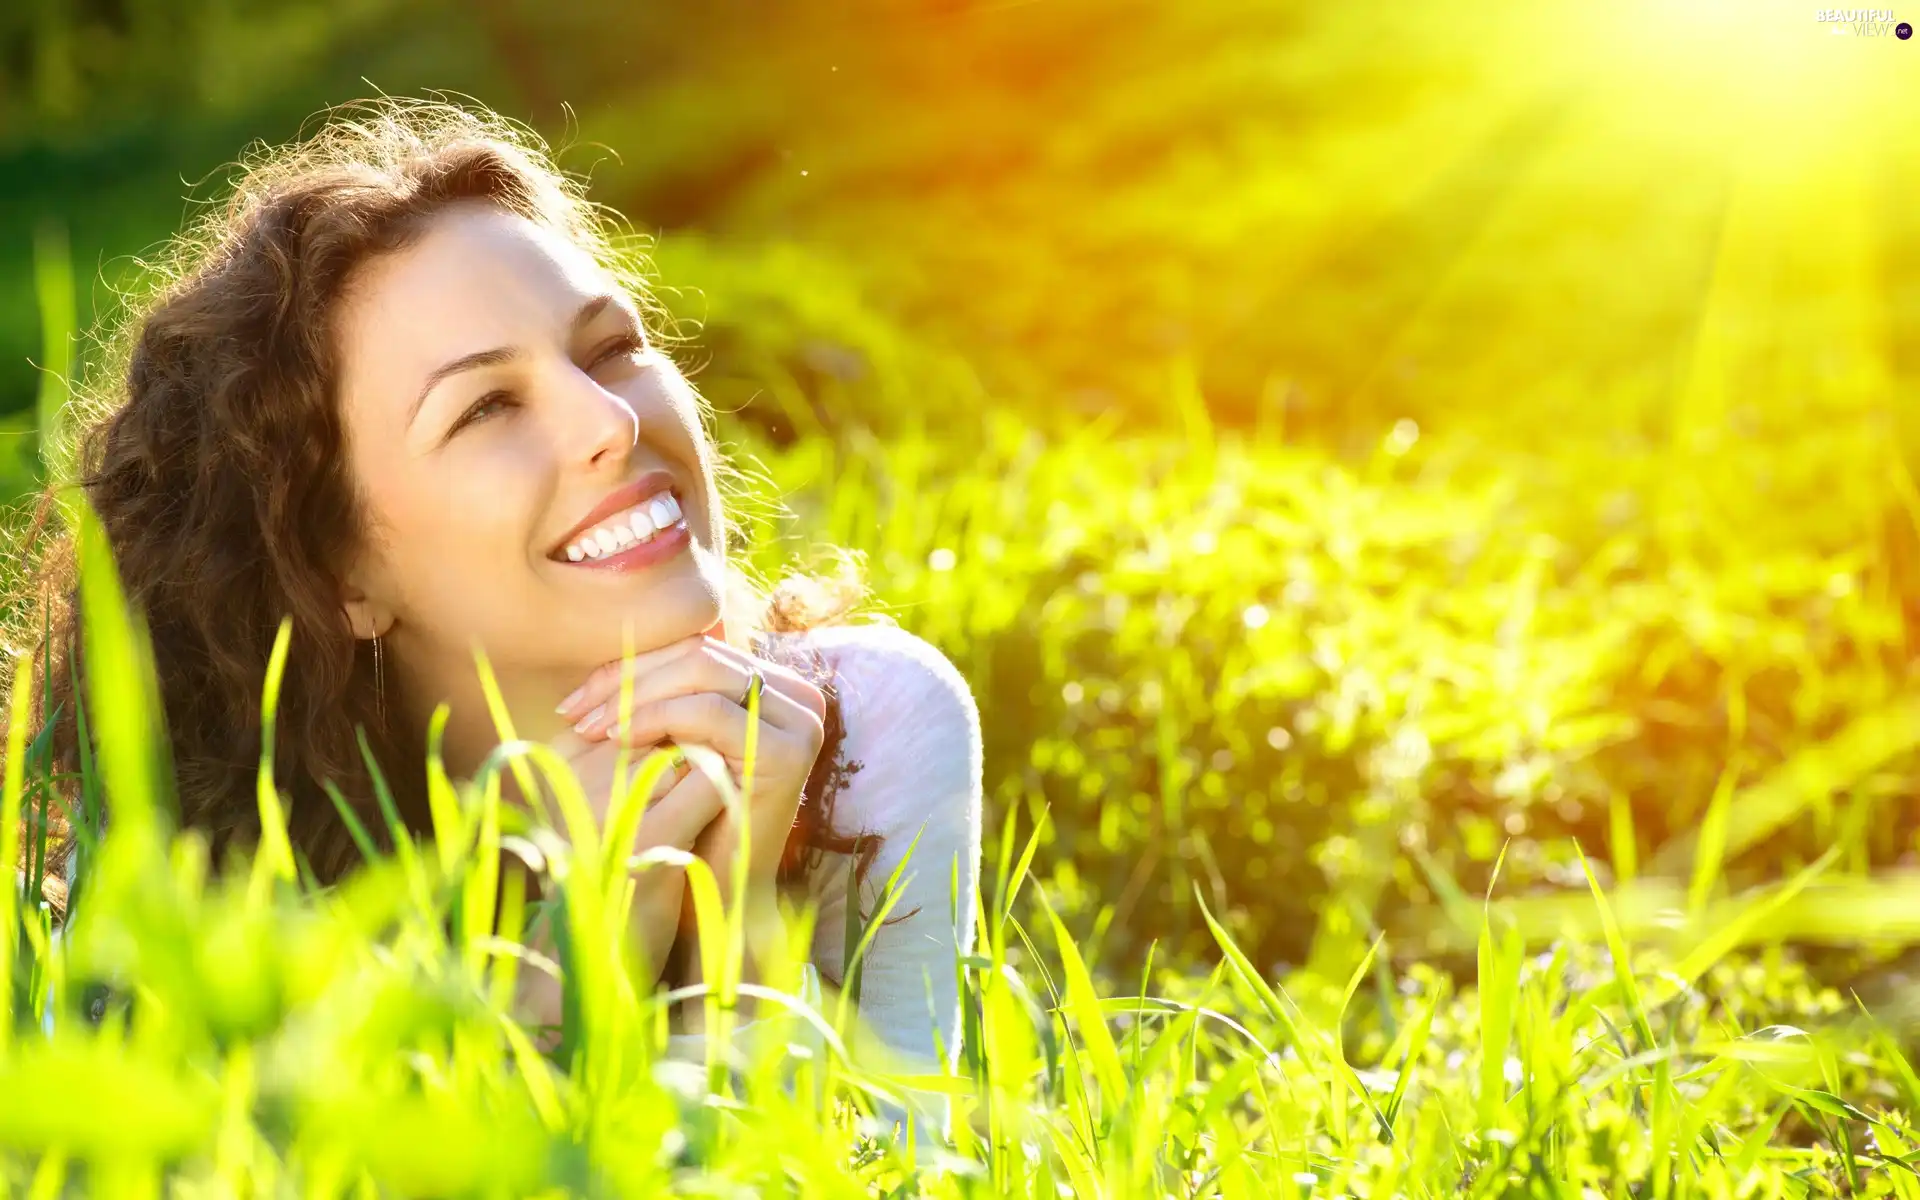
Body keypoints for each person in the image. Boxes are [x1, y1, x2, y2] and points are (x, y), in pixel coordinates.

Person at [0, 99, 983, 1115]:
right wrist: (579, 966)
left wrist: (733, 943)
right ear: (339, 572)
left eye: (609, 350)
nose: (608, 420)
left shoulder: (863, 731)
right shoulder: (198, 867)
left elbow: (900, 1173)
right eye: (488, 407)